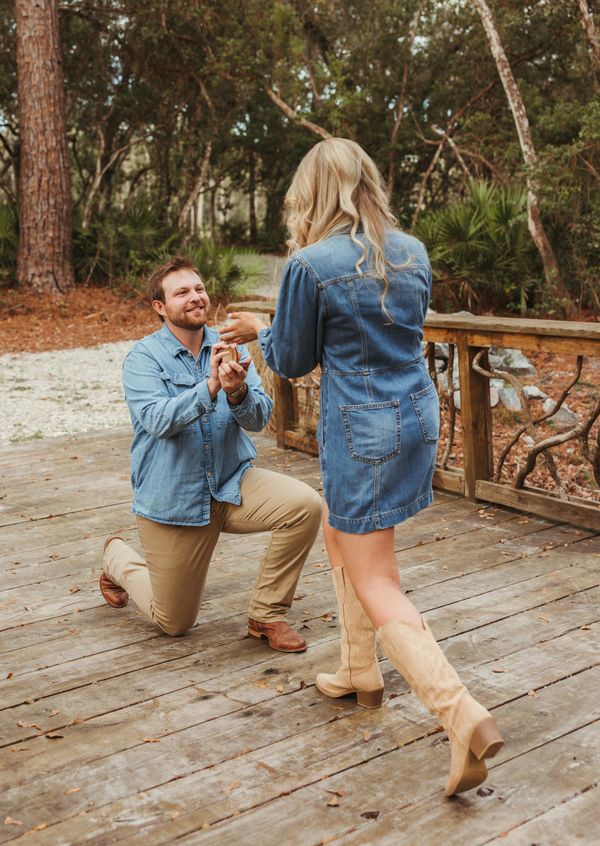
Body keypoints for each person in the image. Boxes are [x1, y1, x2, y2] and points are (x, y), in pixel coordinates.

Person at [220, 138, 503, 795]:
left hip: (363, 428)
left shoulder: (309, 264)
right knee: (342, 534)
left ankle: (461, 716)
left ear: (314, 194)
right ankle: (360, 671)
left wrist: (257, 331)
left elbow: (289, 360)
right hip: (418, 416)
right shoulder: (413, 251)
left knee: (378, 577)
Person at [100, 256, 322, 652]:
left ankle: (266, 614)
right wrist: (212, 388)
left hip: (231, 485)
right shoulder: (143, 358)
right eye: (181, 292)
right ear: (160, 307)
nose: (194, 297)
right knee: (174, 623)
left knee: (305, 506)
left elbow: (259, 419)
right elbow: (157, 420)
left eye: (198, 289)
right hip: (174, 501)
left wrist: (237, 391)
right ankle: (117, 559)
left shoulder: (230, 346)